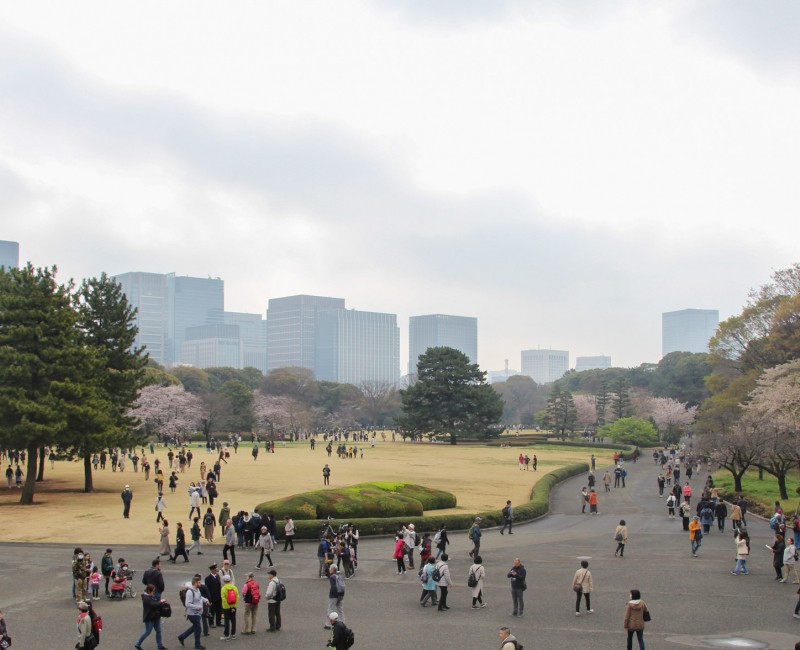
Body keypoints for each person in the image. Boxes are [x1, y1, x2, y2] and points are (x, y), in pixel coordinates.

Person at [177, 574, 208, 649]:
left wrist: (205, 600)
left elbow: (200, 598)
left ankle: (182, 637)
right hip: (192, 614)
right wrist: (197, 607)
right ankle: (197, 644)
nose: (200, 584)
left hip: (197, 613)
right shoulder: (190, 592)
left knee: (195, 627)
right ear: (195, 583)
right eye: (199, 582)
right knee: (198, 628)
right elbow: (187, 604)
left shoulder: (197, 590)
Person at [134, 583, 166, 650]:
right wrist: (160, 602)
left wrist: (160, 603)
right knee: (147, 631)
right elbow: (153, 605)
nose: (154, 593)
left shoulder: (149, 596)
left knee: (159, 630)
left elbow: (155, 604)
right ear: (149, 591)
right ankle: (138, 643)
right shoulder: (146, 598)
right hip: (150, 617)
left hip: (155, 616)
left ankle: (160, 645)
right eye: (153, 591)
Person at [220, 574, 239, 640]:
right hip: (233, 607)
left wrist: (227, 606)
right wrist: (234, 606)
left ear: (224, 580)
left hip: (226, 607)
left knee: (226, 621)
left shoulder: (223, 588)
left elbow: (223, 598)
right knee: (233, 620)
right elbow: (237, 597)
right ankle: (233, 634)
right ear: (230, 580)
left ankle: (227, 635)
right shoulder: (234, 587)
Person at [204, 564, 223, 629]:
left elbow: (219, 586)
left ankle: (218, 621)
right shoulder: (208, 578)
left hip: (218, 596)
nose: (216, 571)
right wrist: (209, 599)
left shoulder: (217, 576)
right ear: (211, 570)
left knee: (219, 610)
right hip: (212, 597)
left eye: (216, 570)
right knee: (212, 611)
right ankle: (211, 622)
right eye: (214, 570)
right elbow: (207, 589)